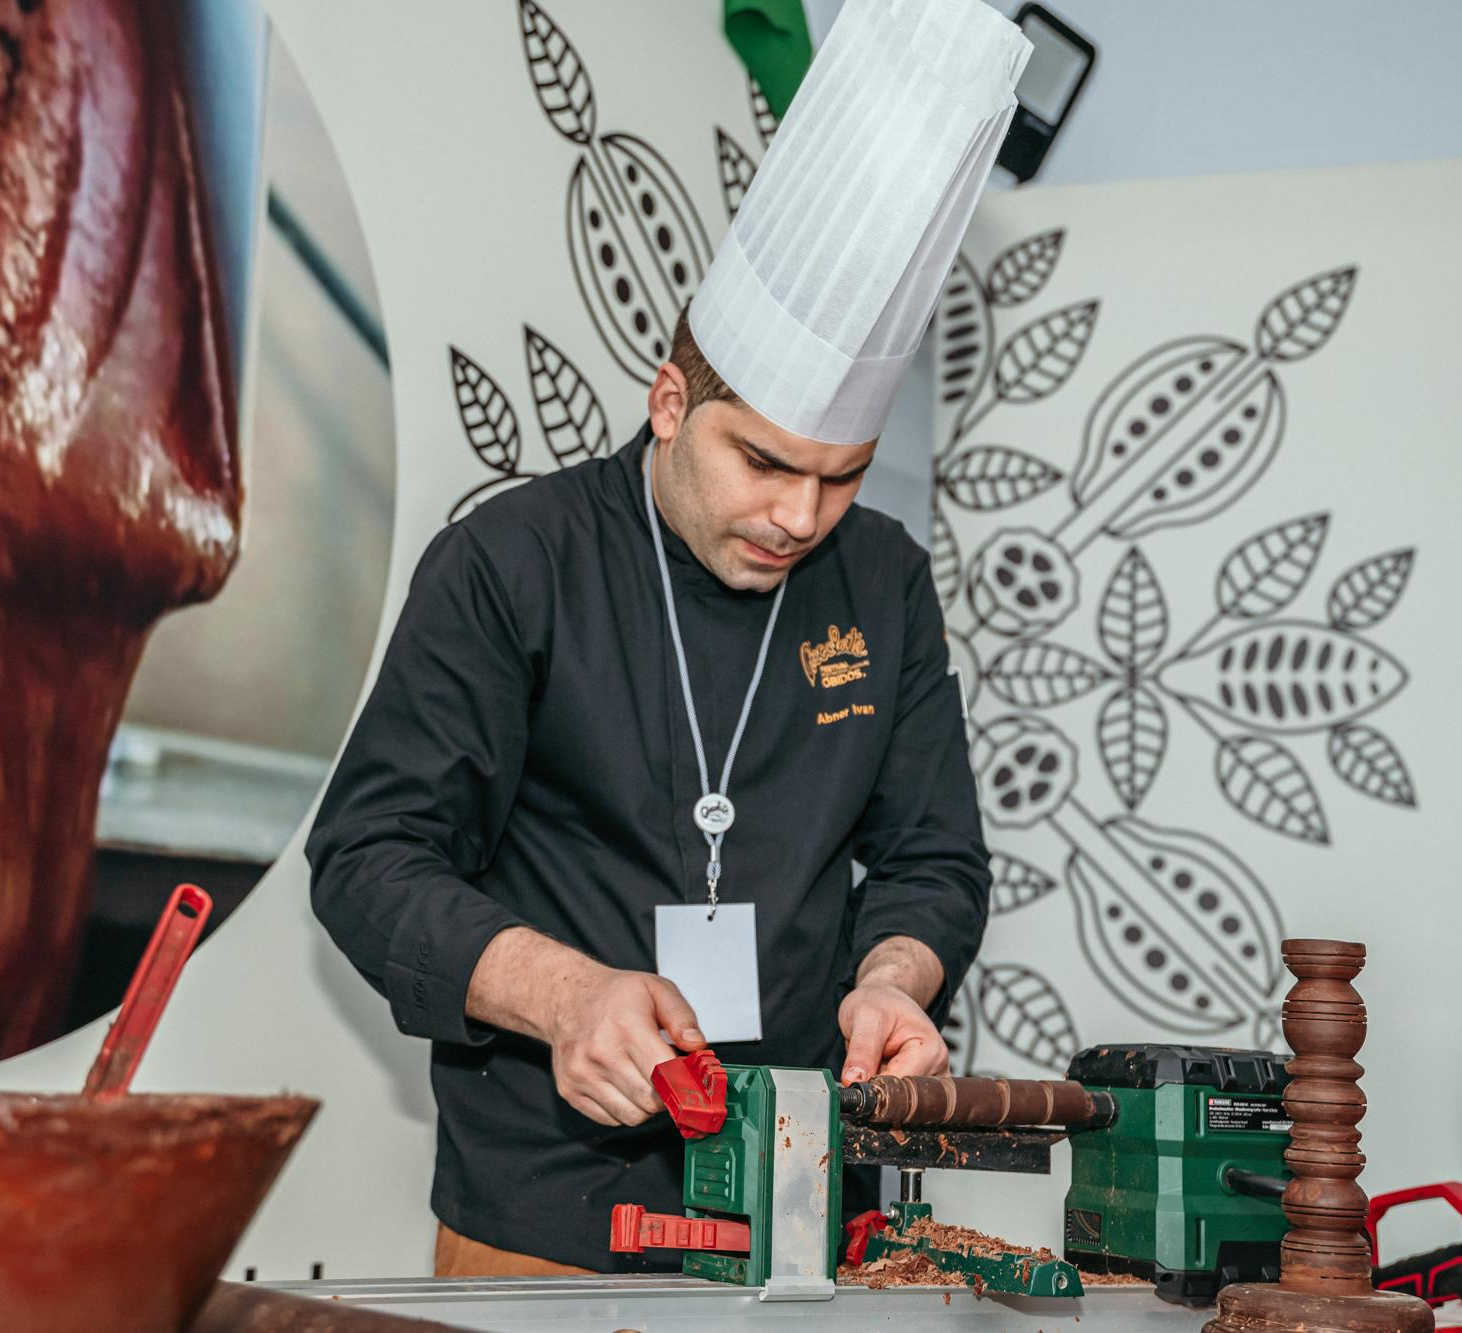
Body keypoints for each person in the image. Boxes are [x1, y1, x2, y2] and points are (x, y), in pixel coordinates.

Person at [307, 0, 1033, 1276]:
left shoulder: (882, 582)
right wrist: (564, 994)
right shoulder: (512, 562)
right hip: (542, 1208)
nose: (797, 516)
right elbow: (369, 855)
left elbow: (933, 861)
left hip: (805, 1207)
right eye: (762, 459)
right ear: (667, 403)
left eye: (841, 476)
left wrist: (894, 983)